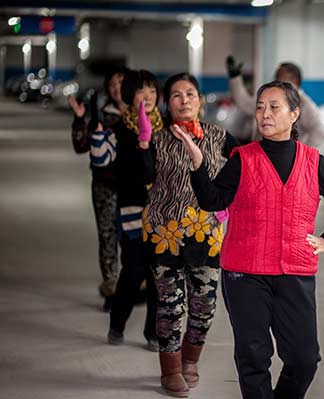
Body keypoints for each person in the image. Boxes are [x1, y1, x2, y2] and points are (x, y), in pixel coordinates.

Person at [176, 80, 324, 399]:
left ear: (294, 114)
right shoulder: (243, 158)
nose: (265, 114)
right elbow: (213, 200)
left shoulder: (313, 161)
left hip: (295, 272)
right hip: (245, 272)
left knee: (304, 360)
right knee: (253, 357)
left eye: (274, 107)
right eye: (260, 107)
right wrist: (198, 163)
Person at [137, 73, 240, 397]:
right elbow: (142, 177)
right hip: (164, 234)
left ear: (199, 100)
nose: (184, 100)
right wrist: (142, 145)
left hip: (206, 236)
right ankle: (170, 369)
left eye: (191, 94)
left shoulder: (220, 137)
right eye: (177, 95)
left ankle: (190, 360)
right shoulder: (155, 138)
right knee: (170, 305)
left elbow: (242, 174)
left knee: (204, 305)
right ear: (168, 102)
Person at [103, 69, 162, 351]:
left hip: (164, 213)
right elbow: (125, 175)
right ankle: (117, 322)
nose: (148, 96)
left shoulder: (167, 128)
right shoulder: (121, 130)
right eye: (141, 91)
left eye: (151, 90)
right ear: (130, 95)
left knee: (158, 274)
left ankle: (153, 332)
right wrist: (143, 144)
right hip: (133, 209)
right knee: (134, 270)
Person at [69, 66, 129, 312]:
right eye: (112, 84)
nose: (117, 88)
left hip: (133, 187)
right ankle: (112, 287)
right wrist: (80, 118)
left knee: (132, 238)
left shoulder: (143, 114)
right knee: (108, 235)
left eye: (121, 83)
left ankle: (132, 285)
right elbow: (81, 145)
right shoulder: (101, 115)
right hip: (105, 185)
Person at [226, 55, 324, 150]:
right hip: (261, 156)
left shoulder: (304, 105)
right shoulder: (268, 97)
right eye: (261, 108)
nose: (265, 115)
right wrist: (235, 78)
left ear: (295, 81)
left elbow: (320, 132)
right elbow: (244, 103)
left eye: (281, 79)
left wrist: (300, 154)